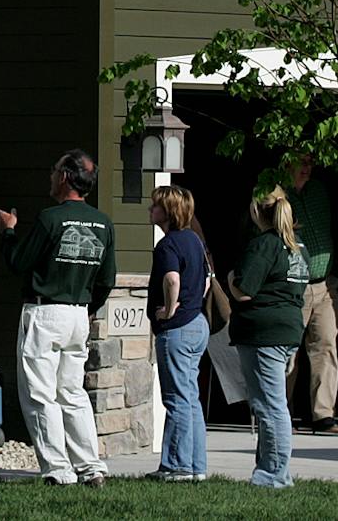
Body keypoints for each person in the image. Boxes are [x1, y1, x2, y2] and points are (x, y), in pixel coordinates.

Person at [0, 148, 114, 488]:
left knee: (40, 394)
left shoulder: (51, 219)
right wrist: (87, 308)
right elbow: (106, 280)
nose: (51, 176)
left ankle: (58, 470)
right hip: (78, 314)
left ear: (65, 177)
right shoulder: (104, 222)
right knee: (72, 392)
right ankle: (91, 467)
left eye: (54, 171)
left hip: (44, 311)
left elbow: (19, 262)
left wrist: (8, 232)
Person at [230, 186, 310, 488]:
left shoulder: (264, 244)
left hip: (263, 333)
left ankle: (273, 475)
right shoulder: (298, 245)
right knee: (274, 404)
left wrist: (228, 280)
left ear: (255, 211)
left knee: (269, 406)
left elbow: (244, 289)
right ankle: (273, 469)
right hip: (288, 330)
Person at [149, 184, 209, 483]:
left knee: (176, 399)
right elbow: (208, 280)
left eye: (155, 205)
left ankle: (176, 466)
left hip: (178, 328)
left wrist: (169, 309)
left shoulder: (168, 244)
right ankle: (197, 466)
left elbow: (172, 279)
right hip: (198, 324)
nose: (151, 210)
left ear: (169, 212)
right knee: (190, 398)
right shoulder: (195, 241)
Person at [281, 154, 338, 432]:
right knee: (288, 350)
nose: (307, 168)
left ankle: (323, 413)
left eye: (310, 163)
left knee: (326, 346)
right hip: (294, 284)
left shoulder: (318, 191)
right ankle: (281, 411)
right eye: (301, 162)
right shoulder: (277, 194)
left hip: (324, 283)